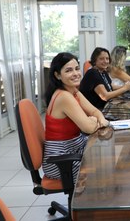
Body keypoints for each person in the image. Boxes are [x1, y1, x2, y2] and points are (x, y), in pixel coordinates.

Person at [43, 52, 110, 182]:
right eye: (69, 70)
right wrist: (95, 120)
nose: (76, 73)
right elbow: (89, 128)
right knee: (107, 169)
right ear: (57, 75)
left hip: (74, 149)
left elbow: (95, 111)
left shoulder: (73, 91)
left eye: (77, 68)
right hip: (61, 161)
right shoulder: (64, 96)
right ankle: (93, 200)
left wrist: (98, 119)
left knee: (108, 157)